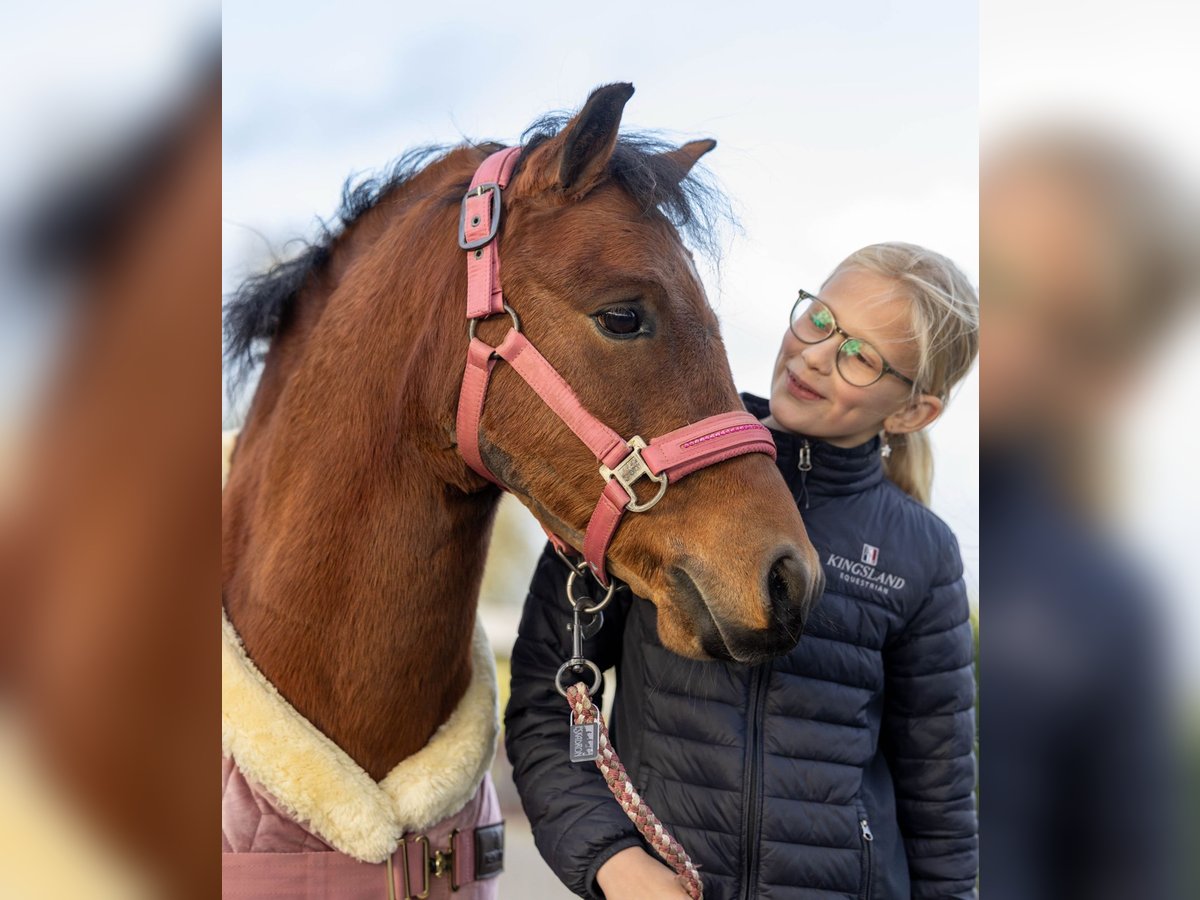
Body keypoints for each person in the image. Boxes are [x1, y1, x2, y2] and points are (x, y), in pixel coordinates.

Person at [505, 242, 980, 899]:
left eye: (861, 357)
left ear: (911, 412)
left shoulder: (923, 554)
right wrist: (614, 861)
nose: (816, 355)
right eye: (819, 321)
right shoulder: (656, 477)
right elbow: (548, 705)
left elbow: (940, 796)